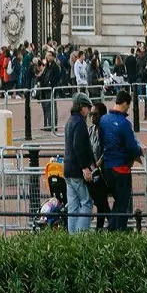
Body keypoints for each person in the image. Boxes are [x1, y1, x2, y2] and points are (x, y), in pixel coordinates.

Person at [99, 87, 142, 230]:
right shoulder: (124, 123)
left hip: (107, 167)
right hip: (121, 168)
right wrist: (139, 151)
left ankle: (112, 229)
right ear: (124, 104)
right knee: (122, 203)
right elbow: (131, 147)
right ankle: (116, 231)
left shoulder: (103, 120)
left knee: (117, 203)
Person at [62, 93, 96, 233]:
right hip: (77, 170)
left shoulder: (70, 121)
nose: (89, 111)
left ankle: (73, 238)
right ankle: (81, 237)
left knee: (73, 206)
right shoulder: (80, 123)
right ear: (82, 107)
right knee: (86, 202)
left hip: (68, 170)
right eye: (88, 107)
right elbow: (79, 147)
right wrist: (85, 168)